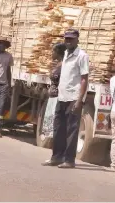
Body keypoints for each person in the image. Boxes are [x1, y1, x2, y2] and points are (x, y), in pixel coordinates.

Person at [42, 29, 89, 169]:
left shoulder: (82, 56)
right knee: (58, 129)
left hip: (73, 98)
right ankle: (56, 157)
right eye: (66, 39)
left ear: (77, 40)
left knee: (72, 131)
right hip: (62, 97)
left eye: (71, 39)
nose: (68, 41)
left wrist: (80, 99)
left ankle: (69, 160)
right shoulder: (66, 54)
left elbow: (84, 79)